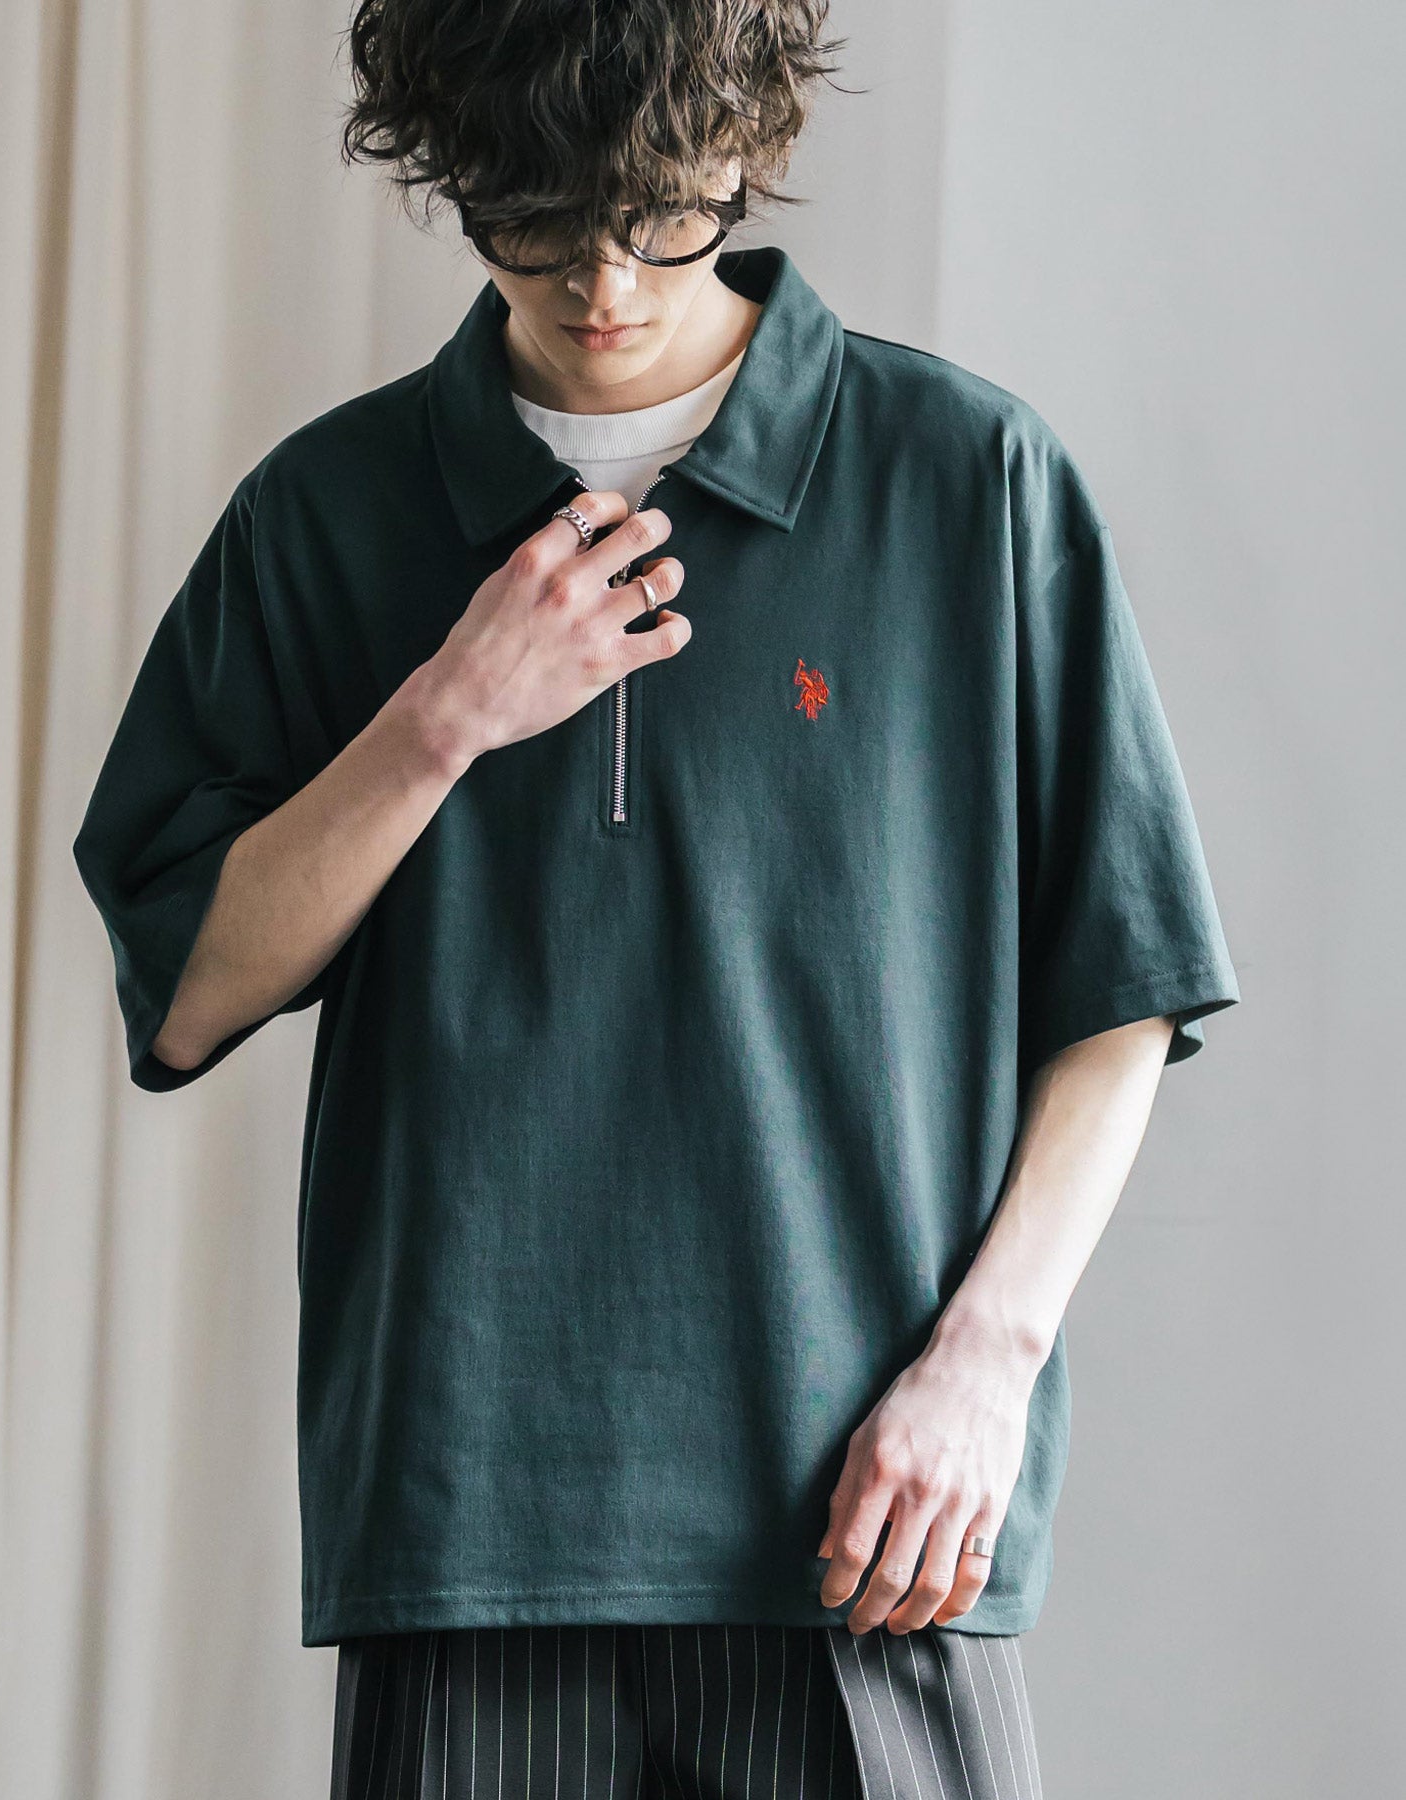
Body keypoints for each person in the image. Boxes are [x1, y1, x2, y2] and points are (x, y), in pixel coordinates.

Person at [71, 3, 1241, 1795]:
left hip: (871, 1529)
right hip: (471, 1531)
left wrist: (987, 1369)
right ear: (454, 172)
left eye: (660, 214)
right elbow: (187, 990)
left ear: (743, 145)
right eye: (534, 222)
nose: (603, 281)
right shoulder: (327, 515)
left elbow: (1124, 989)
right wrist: (442, 718)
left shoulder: (966, 480)